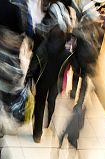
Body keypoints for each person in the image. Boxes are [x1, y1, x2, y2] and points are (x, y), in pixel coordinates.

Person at [27, 15, 72, 143]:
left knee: (39, 105)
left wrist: (28, 78)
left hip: (42, 81)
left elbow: (34, 65)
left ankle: (37, 134)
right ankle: (48, 123)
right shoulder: (66, 54)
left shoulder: (42, 48)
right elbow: (68, 69)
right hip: (56, 83)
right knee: (51, 102)